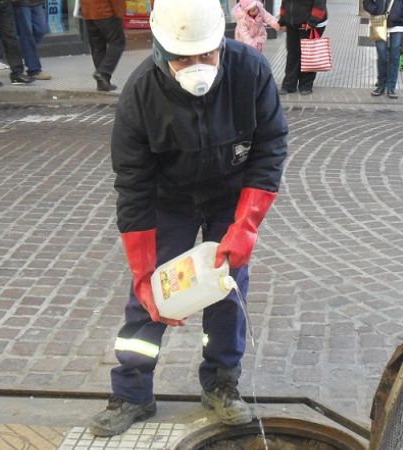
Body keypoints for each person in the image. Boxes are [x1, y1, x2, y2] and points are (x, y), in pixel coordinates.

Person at [87, 0, 288, 437]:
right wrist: (143, 270)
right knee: (152, 296)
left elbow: (271, 146)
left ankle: (221, 383)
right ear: (160, 49)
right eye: (183, 57)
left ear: (220, 41)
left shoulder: (250, 72)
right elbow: (134, 186)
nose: (197, 65)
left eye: (207, 54)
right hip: (169, 198)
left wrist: (245, 225)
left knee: (225, 291)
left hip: (229, 198)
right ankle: (131, 391)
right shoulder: (140, 95)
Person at [364, 0, 403, 99]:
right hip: (378, 21)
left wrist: (402, 13)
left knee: (394, 56)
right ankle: (381, 85)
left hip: (396, 24)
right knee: (382, 56)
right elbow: (366, 2)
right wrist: (376, 10)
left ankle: (391, 87)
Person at [277, 0, 328, 96]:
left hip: (310, 24)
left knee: (308, 54)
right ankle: (289, 85)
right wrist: (283, 20)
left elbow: (320, 2)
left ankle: (305, 85)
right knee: (292, 53)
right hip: (292, 23)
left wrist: (313, 21)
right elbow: (285, 2)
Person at [80, 0, 126, 91]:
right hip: (105, 12)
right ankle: (103, 72)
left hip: (88, 12)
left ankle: (102, 83)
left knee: (97, 46)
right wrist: (119, 13)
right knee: (118, 42)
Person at [12, 0, 51, 80]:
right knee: (26, 34)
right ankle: (34, 70)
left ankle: (17, 54)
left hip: (36, 2)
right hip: (20, 4)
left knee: (42, 30)